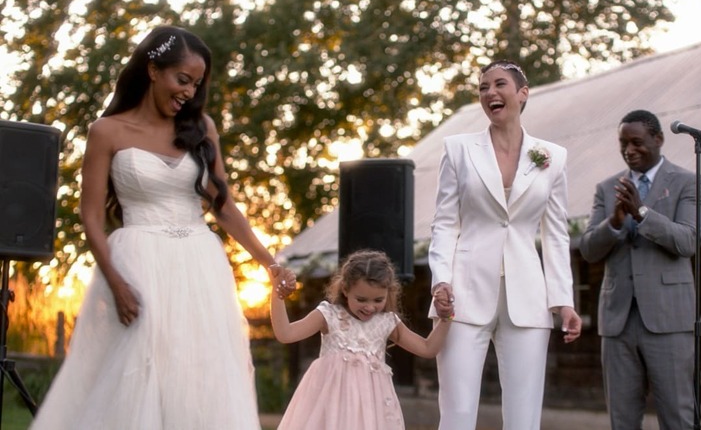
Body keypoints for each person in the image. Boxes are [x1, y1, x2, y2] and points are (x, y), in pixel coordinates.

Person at [30, 25, 295, 430]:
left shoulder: (201, 128)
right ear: (153, 70)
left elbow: (224, 208)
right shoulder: (107, 132)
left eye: (196, 84)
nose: (189, 92)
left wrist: (269, 263)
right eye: (182, 79)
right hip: (138, 260)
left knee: (200, 370)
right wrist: (115, 282)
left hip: (199, 262)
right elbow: (91, 216)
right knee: (141, 366)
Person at [427, 59, 582, 430]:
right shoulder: (458, 149)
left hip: (528, 297)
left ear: (522, 94)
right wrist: (440, 281)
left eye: (499, 85)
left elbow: (556, 233)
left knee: (524, 415)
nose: (490, 93)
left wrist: (564, 301)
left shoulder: (552, 156)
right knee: (458, 411)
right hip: (462, 292)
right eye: (483, 88)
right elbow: (445, 223)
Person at [578, 109, 701, 430]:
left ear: (659, 139)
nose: (629, 150)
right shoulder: (607, 188)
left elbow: (688, 241)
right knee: (622, 420)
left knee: (678, 417)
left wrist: (642, 212)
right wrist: (615, 222)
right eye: (623, 143)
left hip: (668, 320)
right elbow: (589, 250)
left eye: (637, 142)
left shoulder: (688, 182)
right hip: (617, 322)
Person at [270, 249, 454, 430]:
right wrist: (278, 295)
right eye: (361, 299)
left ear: (388, 293)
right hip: (332, 406)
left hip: (371, 411)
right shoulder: (329, 315)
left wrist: (446, 318)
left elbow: (428, 348)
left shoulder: (387, 322)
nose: (369, 307)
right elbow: (286, 334)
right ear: (345, 289)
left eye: (378, 300)